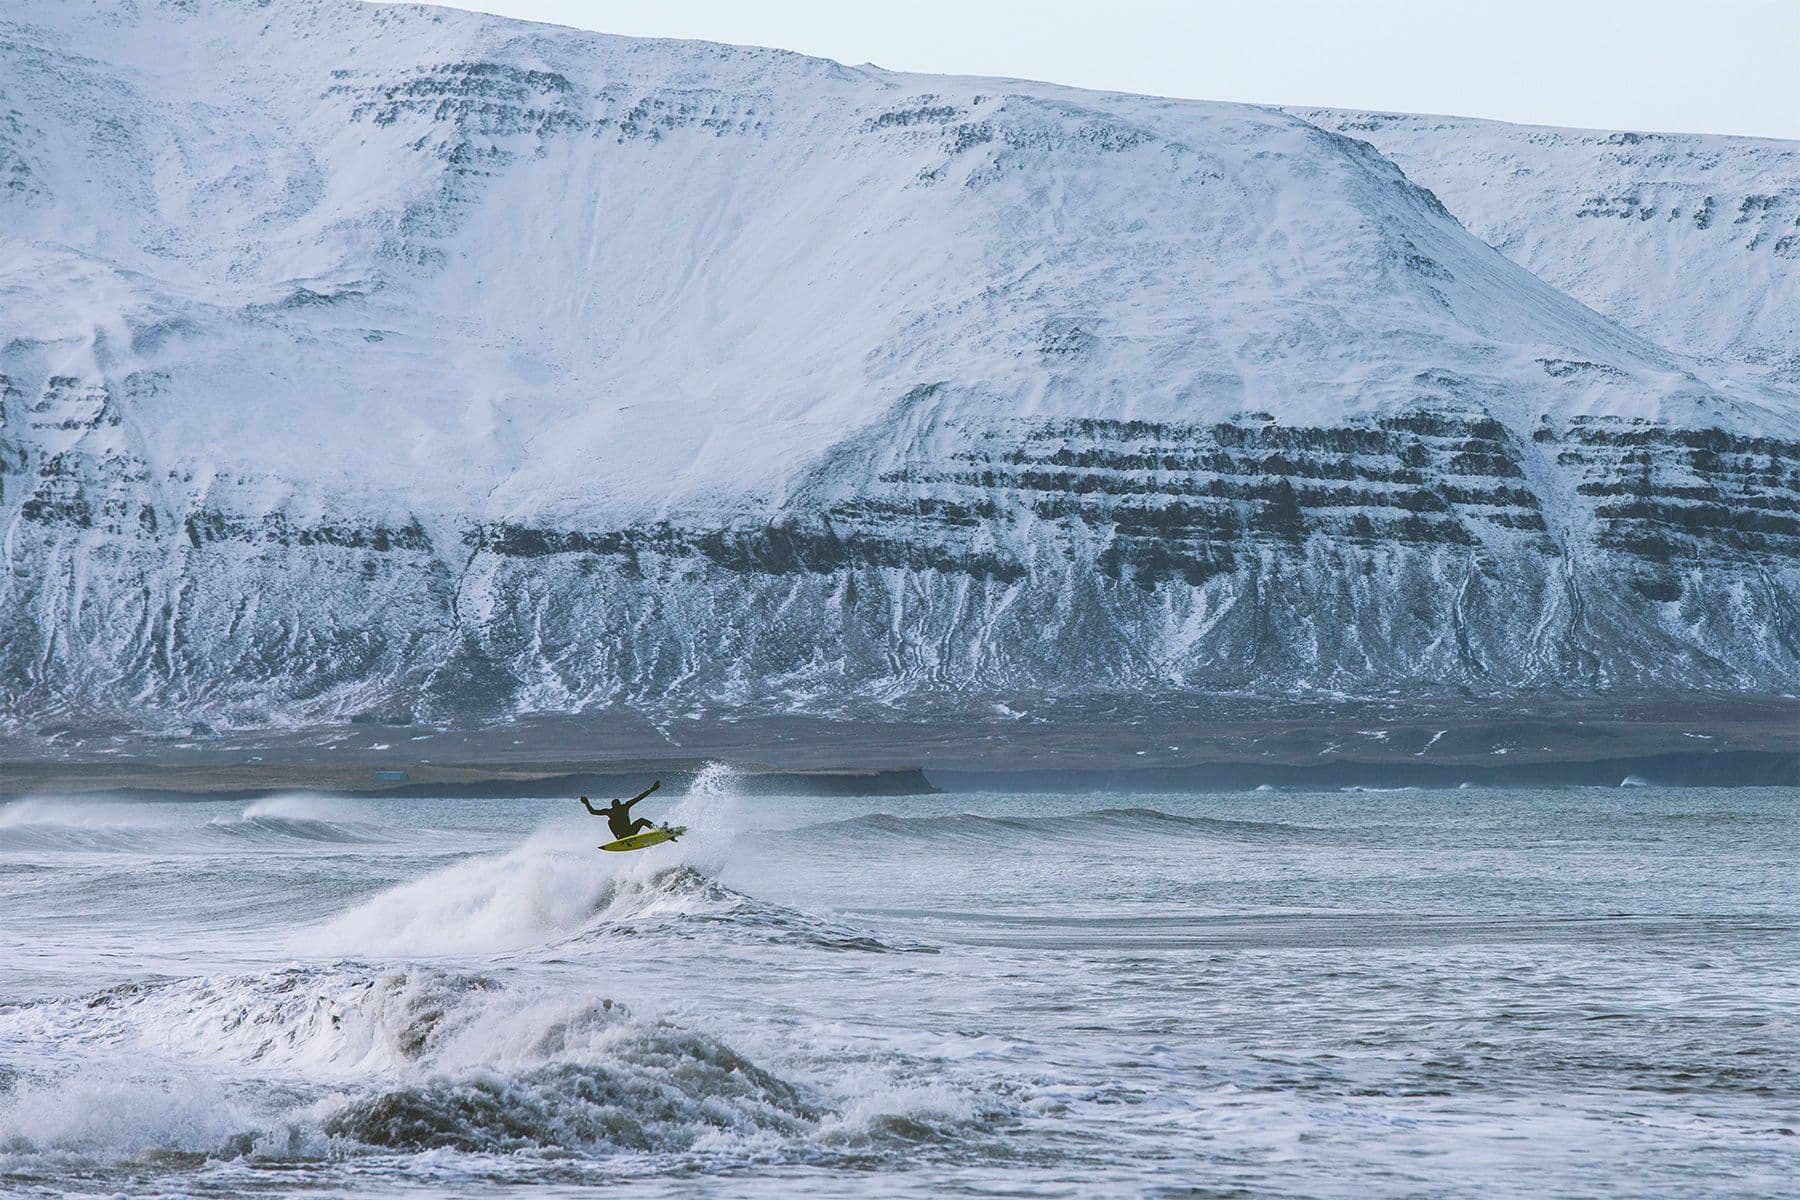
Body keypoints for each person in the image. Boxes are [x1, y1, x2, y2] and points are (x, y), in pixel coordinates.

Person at [582, 780, 662, 841]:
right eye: (616, 806)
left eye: (618, 805)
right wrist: (586, 803)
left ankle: (659, 830)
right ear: (613, 807)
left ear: (619, 804)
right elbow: (593, 812)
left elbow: (639, 798)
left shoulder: (624, 807)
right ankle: (619, 838)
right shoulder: (612, 811)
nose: (618, 808)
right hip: (621, 836)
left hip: (630, 832)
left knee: (641, 820)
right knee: (610, 821)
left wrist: (651, 789)